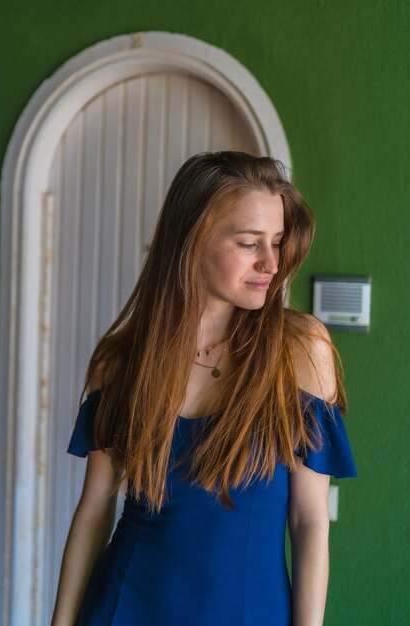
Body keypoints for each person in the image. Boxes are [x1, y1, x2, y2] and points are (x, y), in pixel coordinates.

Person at [51, 151, 357, 626]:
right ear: (192, 242)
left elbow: (309, 520)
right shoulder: (122, 360)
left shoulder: (299, 351)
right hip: (123, 607)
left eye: (277, 242)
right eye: (249, 243)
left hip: (248, 612)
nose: (271, 263)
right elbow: (94, 510)